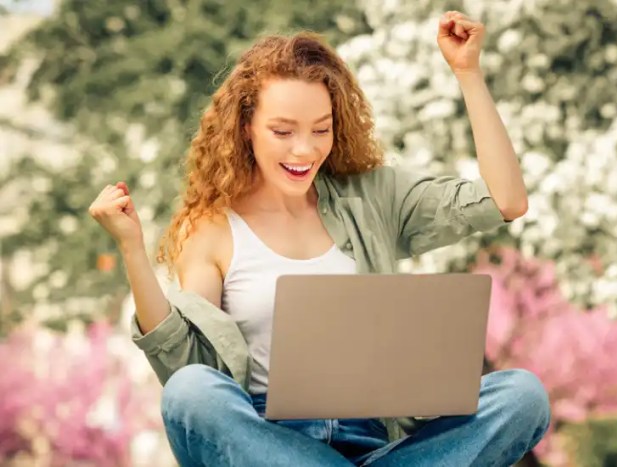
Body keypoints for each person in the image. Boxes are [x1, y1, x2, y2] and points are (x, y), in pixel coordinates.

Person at [88, 11, 550, 467]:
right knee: (190, 393)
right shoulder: (211, 228)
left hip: (379, 442)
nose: (304, 150)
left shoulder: (375, 198)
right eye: (283, 131)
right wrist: (132, 248)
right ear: (245, 126)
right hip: (267, 442)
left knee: (522, 396)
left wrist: (467, 73)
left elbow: (504, 201)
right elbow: (187, 366)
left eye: (321, 130)